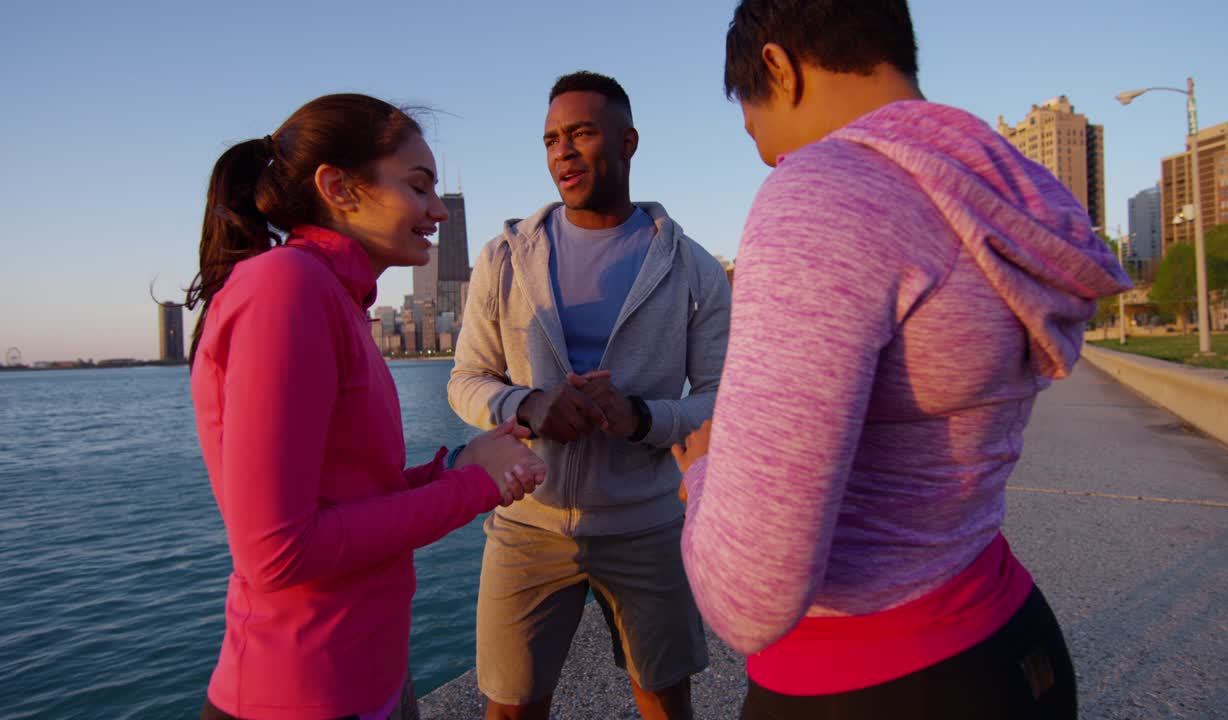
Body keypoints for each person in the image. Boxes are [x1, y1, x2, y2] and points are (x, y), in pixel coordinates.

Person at [674, 2, 1131, 718]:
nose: (759, 145)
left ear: (778, 67)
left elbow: (748, 600)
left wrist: (702, 475)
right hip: (1007, 642)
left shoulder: (823, 190)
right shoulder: (986, 195)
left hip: (867, 683)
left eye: (749, 114)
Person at [187, 93, 546, 720]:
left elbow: (348, 496)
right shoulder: (286, 290)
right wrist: (471, 488)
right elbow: (277, 551)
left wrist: (458, 466)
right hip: (301, 695)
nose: (437, 210)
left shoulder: (334, 298)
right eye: (418, 186)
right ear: (339, 188)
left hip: (369, 679)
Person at [448, 71, 732, 720]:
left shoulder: (691, 267)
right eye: (550, 139)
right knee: (511, 706)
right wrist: (528, 405)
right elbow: (466, 380)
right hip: (526, 523)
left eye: (580, 133)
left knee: (664, 699)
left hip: (647, 522)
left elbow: (721, 397)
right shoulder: (504, 258)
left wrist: (642, 418)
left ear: (628, 142)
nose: (562, 152)